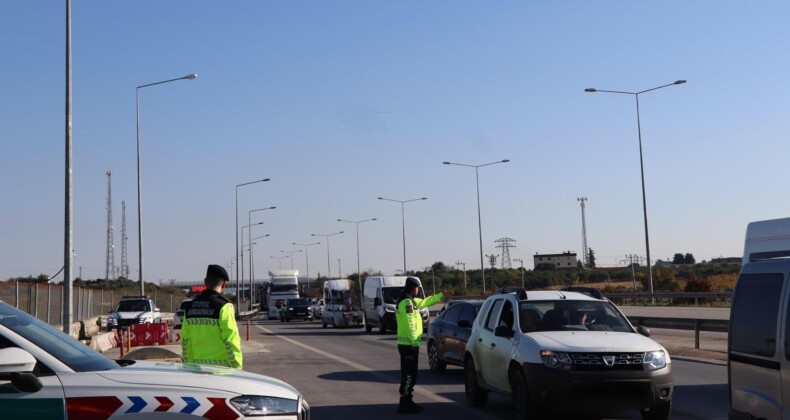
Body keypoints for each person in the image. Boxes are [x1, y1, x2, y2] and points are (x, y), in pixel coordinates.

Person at [395, 277, 443, 414]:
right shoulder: (406, 302)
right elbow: (410, 324)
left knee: (411, 373)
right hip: (408, 344)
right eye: (416, 288)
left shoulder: (411, 300)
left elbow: (425, 302)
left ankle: (408, 400)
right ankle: (404, 403)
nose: (417, 291)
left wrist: (441, 295)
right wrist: (415, 342)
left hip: (410, 344)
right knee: (409, 374)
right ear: (412, 288)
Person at [181, 264, 242, 369]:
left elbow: (186, 342)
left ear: (205, 282)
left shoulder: (190, 307)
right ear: (224, 285)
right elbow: (231, 340)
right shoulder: (224, 306)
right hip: (222, 372)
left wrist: (190, 367)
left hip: (197, 369)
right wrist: (237, 368)